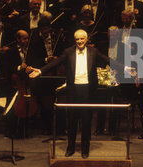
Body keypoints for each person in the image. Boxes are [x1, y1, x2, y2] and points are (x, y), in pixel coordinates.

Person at [31, 29, 114, 158]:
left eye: (82, 38)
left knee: (87, 121)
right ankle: (70, 148)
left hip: (88, 90)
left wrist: (125, 67)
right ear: (74, 40)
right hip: (73, 90)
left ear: (87, 39)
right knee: (72, 120)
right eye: (77, 39)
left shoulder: (94, 51)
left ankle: (85, 149)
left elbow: (108, 60)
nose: (80, 41)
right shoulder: (68, 52)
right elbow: (55, 62)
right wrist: (40, 71)